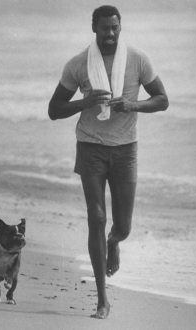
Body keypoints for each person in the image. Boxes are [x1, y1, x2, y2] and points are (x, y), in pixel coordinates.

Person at [48, 5, 169, 319]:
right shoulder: (78, 64)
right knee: (96, 218)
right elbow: (54, 108)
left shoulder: (138, 60)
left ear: (120, 27)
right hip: (90, 148)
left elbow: (162, 99)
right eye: (105, 28)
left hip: (126, 150)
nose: (111, 34)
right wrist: (85, 102)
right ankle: (102, 298)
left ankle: (114, 242)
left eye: (115, 27)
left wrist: (132, 105)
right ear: (95, 29)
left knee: (123, 226)